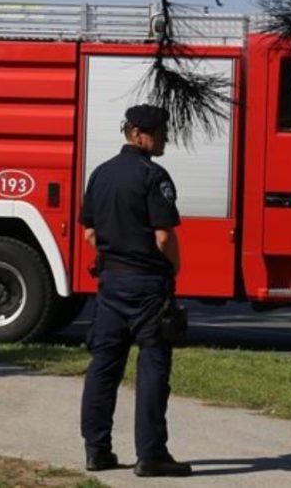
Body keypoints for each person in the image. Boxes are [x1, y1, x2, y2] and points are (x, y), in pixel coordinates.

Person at [79, 104, 191, 478]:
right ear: (138, 133)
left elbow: (89, 233)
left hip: (110, 284)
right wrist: (174, 266)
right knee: (153, 367)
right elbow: (163, 237)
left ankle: (97, 451)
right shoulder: (153, 176)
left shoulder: (100, 174)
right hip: (147, 287)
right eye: (160, 132)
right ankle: (151, 455)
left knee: (104, 367)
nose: (164, 139)